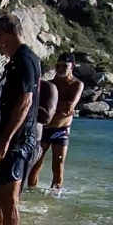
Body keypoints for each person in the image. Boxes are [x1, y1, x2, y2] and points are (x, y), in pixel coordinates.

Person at [0, 13, 41, 225]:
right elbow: (11, 99)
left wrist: (5, 141)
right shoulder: (13, 63)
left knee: (9, 198)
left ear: (6, 34)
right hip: (3, 136)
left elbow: (25, 103)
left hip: (18, 141)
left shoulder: (26, 60)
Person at [27, 52, 83, 192]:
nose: (61, 68)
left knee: (58, 165)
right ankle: (31, 193)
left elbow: (69, 106)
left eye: (65, 66)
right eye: (58, 65)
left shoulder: (76, 84)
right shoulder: (50, 85)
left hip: (61, 130)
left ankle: (55, 196)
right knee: (35, 163)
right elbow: (38, 104)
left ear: (72, 66)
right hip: (45, 128)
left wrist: (53, 104)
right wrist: (61, 106)